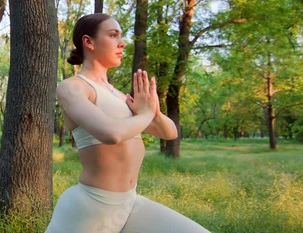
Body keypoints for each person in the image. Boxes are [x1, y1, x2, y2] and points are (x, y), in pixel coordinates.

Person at [45, 13, 210, 233]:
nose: (122, 43)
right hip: (91, 208)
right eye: (113, 35)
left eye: (121, 36)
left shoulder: (119, 96)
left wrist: (155, 113)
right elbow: (110, 134)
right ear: (88, 41)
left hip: (129, 205)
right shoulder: (72, 87)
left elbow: (169, 132)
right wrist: (144, 115)